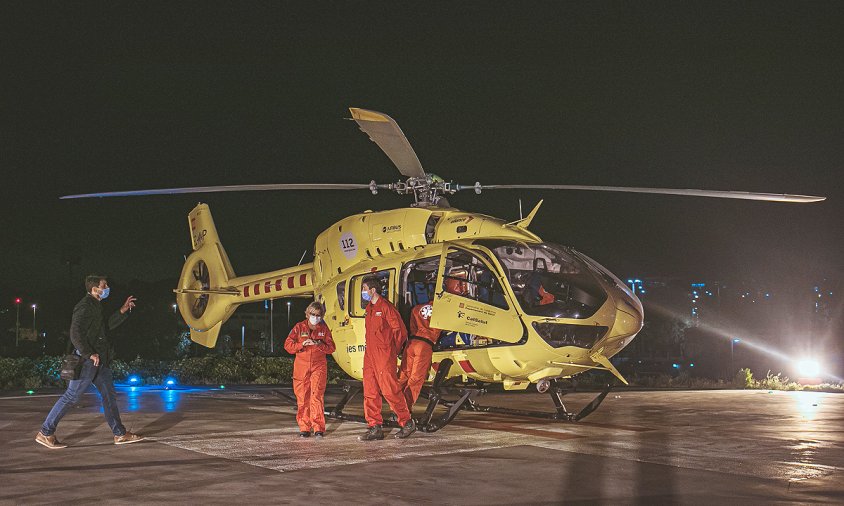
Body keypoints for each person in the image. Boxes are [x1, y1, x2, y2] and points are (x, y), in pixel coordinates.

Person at [36, 275, 142, 449]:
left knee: (109, 396)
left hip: (99, 361)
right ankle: (45, 432)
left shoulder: (96, 306)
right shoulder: (85, 306)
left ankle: (120, 434)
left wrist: (122, 311)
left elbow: (105, 328)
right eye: (104, 285)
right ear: (94, 289)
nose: (107, 287)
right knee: (71, 396)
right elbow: (75, 332)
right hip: (88, 360)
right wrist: (88, 353)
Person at [358, 275, 416, 441]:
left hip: (383, 355)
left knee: (390, 390)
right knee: (370, 391)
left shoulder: (386, 307)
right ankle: (375, 427)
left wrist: (392, 350)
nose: (363, 292)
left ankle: (407, 422)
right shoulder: (369, 308)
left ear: (372, 290)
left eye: (364, 289)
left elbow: (400, 332)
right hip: (370, 355)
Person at [284, 301, 336, 438]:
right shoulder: (299, 328)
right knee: (302, 398)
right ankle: (304, 428)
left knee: (316, 397)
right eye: (313, 314)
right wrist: (301, 344)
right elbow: (288, 345)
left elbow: (331, 348)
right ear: (307, 314)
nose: (315, 317)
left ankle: (318, 427)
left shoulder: (324, 330)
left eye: (318, 315)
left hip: (318, 366)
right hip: (301, 368)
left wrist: (319, 344)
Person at [398, 301, 442, 413]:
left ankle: (395, 405)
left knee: (403, 376)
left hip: (412, 343)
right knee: (416, 379)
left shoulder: (416, 309)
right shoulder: (441, 309)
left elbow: (412, 327)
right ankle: (405, 410)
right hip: (425, 345)